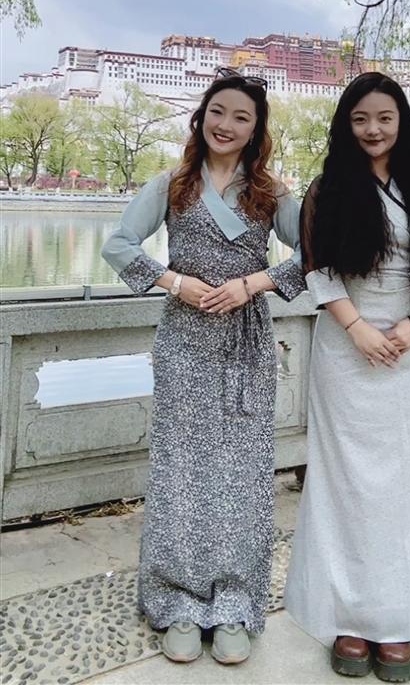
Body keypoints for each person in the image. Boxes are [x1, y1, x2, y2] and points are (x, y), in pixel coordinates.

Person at [102, 68, 304, 667]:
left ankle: (234, 601)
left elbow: (318, 253)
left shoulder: (271, 193)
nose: (226, 125)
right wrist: (175, 282)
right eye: (218, 111)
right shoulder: (171, 184)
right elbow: (118, 245)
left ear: (256, 130)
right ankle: (178, 601)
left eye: (242, 117)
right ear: (201, 117)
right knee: (181, 469)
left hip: (246, 341)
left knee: (242, 472)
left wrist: (253, 283)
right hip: (184, 339)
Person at [284, 72, 410, 683]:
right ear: (346, 125)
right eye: (360, 118)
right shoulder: (327, 190)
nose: (373, 129)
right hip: (346, 351)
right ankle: (348, 618)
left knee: (408, 490)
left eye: (384, 118)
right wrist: (358, 328)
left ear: (402, 123)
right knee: (347, 488)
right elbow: (316, 268)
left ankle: (397, 620)